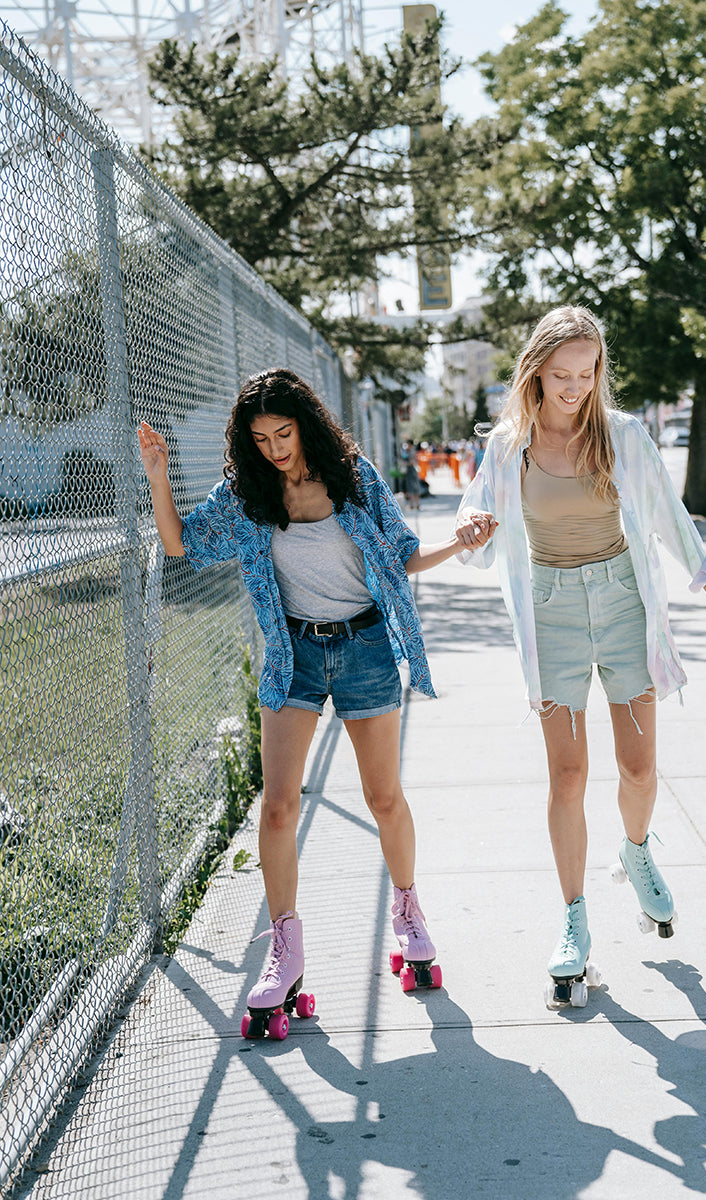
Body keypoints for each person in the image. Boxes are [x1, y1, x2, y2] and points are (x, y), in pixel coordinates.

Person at [138, 368, 489, 1030]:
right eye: (261, 437)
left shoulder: (353, 480)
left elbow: (402, 557)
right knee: (277, 806)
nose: (274, 448)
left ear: (307, 424)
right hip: (292, 656)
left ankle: (409, 911)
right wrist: (158, 476)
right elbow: (181, 543)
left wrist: (461, 542)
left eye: (284, 433)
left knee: (384, 797)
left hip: (364, 651)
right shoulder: (247, 496)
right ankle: (285, 948)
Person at [455, 306, 706, 1008]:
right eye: (562, 374)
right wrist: (470, 531)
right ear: (535, 372)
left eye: (588, 374)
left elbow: (672, 525)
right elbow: (479, 529)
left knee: (639, 766)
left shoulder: (623, 437)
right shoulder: (508, 446)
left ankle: (637, 848)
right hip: (552, 610)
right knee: (566, 776)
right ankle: (573, 921)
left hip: (623, 604)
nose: (576, 387)